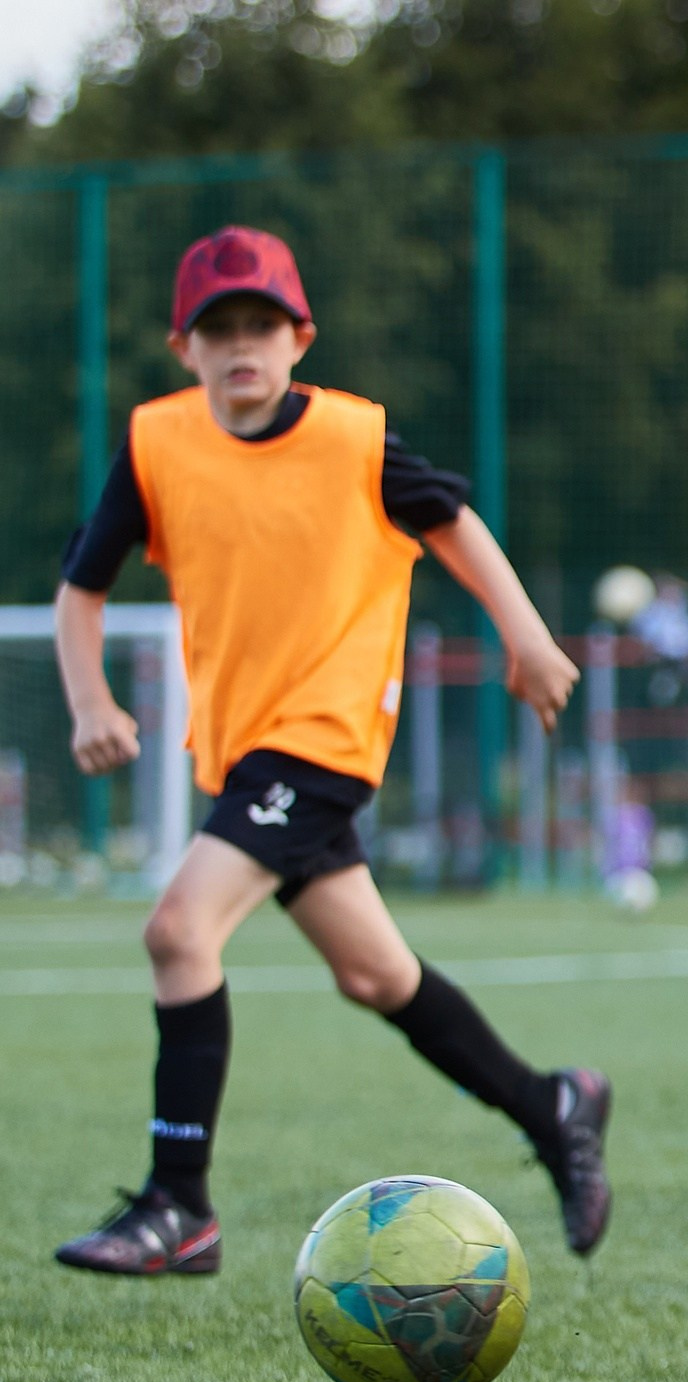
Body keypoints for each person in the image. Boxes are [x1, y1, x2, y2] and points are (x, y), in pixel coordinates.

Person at [50, 226, 613, 1278]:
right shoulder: (158, 444)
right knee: (375, 973)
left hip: (325, 738)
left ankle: (180, 1206)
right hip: (244, 750)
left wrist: (528, 639)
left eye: (261, 324)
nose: (242, 345)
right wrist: (89, 701)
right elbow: (81, 588)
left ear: (300, 337)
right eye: (219, 328)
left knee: (178, 931)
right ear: (183, 347)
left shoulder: (354, 439)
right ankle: (555, 1105)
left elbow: (452, 522)